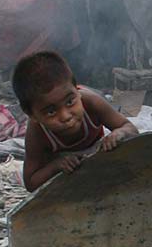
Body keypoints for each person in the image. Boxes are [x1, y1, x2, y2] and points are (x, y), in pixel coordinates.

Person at [12, 50, 138, 192]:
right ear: (32, 114)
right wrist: (55, 166)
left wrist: (119, 133)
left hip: (98, 159)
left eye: (70, 102)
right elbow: (30, 182)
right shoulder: (37, 131)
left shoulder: (91, 103)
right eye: (51, 111)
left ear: (77, 90)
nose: (65, 116)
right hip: (66, 171)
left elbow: (130, 128)